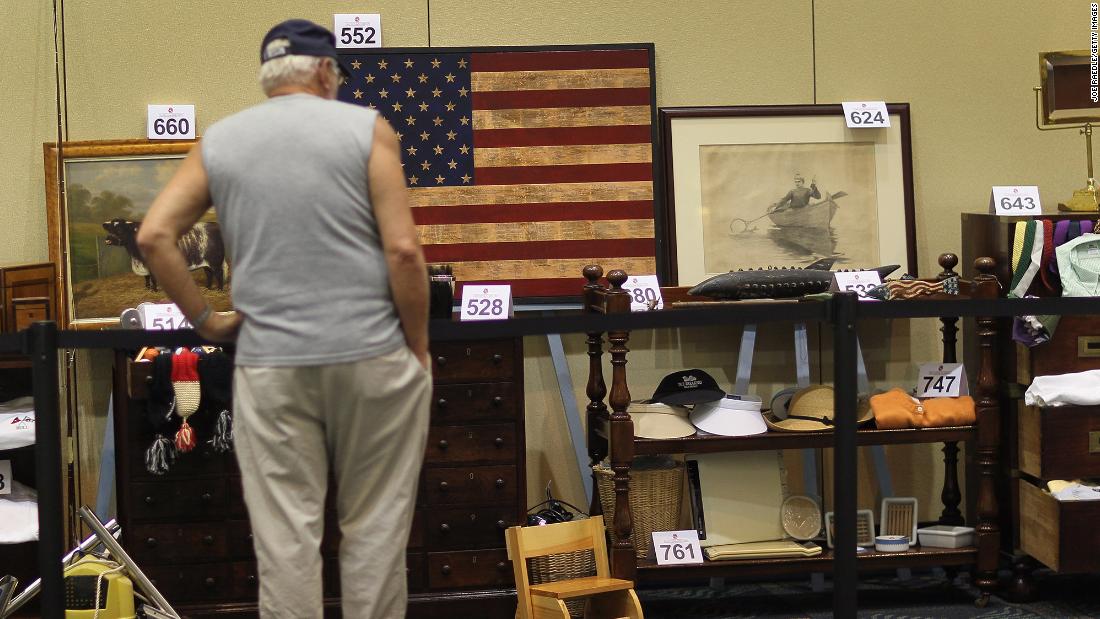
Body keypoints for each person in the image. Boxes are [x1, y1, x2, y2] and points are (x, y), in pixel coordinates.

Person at [136, 18, 432, 619]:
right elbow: (403, 252)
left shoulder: (221, 140)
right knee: (375, 533)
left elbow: (154, 235)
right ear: (325, 71)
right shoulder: (366, 129)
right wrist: (418, 346)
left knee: (285, 543)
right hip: (369, 357)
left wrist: (207, 321)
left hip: (271, 365)